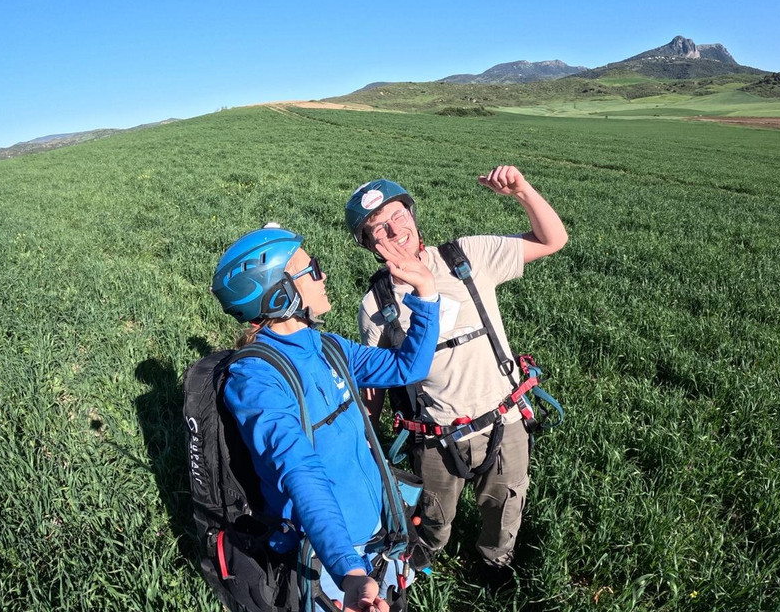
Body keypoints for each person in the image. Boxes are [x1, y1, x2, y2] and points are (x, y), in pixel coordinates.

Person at [344, 166, 568, 580]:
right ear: (369, 244)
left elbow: (553, 240)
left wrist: (522, 191)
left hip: (505, 418)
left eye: (398, 217)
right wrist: (363, 447)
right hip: (435, 436)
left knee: (505, 508)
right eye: (379, 229)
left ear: (412, 215)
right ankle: (422, 563)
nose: (394, 232)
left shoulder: (466, 256)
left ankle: (494, 564)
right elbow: (374, 383)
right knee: (434, 516)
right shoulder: (376, 306)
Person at [212, 225, 441, 612]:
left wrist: (426, 294)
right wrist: (348, 571)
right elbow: (300, 472)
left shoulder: (328, 346)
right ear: (280, 293)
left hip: (379, 532)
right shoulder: (255, 379)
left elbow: (409, 367)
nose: (324, 275)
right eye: (312, 268)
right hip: (326, 560)